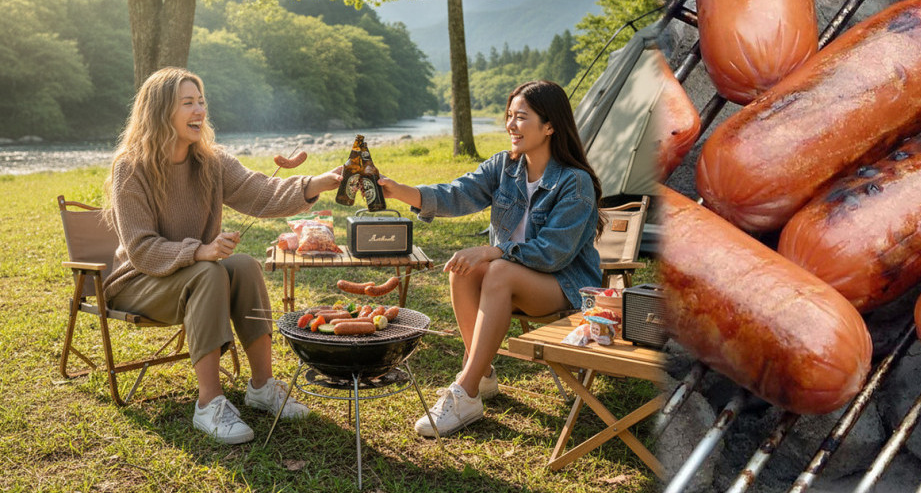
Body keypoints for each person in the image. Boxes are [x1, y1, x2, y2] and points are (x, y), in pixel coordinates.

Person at [103, 67, 342, 444]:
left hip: (193, 274)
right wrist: (200, 251)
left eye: (201, 101)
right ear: (159, 111)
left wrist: (318, 182)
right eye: (187, 103)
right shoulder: (130, 168)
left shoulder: (210, 161)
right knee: (210, 272)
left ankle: (262, 386)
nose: (199, 110)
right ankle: (209, 404)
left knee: (243, 265)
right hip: (138, 282)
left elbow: (261, 191)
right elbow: (140, 249)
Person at [378, 80, 603, 437]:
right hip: (511, 278)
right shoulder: (505, 167)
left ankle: (464, 392)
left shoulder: (574, 183)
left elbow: (553, 253)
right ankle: (480, 376)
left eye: (522, 117)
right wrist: (398, 189)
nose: (511, 125)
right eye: (509, 116)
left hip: (563, 284)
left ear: (550, 126)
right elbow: (455, 194)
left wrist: (493, 250)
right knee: (463, 269)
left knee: (496, 269)